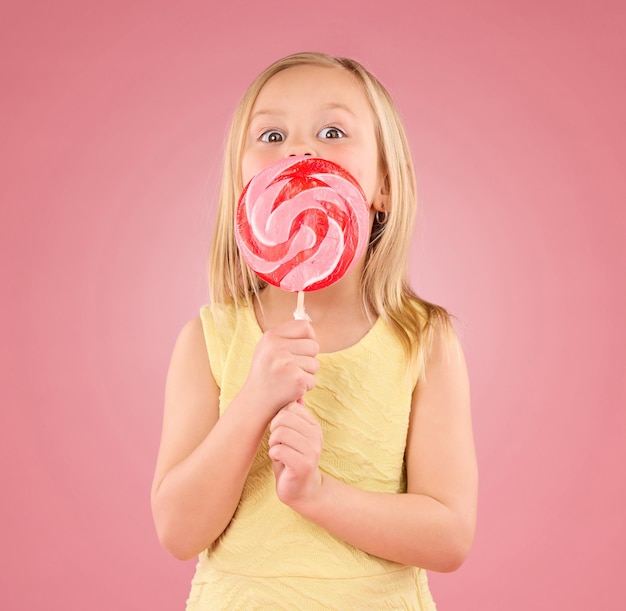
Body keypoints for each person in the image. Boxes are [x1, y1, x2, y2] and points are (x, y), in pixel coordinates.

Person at [151, 51, 478, 610]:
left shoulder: (424, 341)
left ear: (384, 188)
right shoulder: (210, 339)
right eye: (272, 134)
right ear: (242, 191)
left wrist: (318, 495)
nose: (300, 150)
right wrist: (255, 400)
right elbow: (178, 532)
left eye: (332, 131)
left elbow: (448, 538)